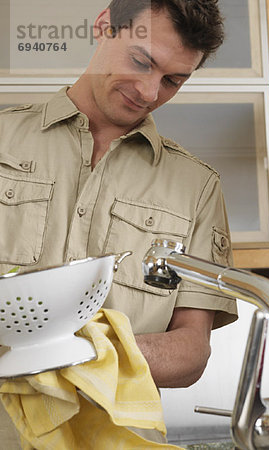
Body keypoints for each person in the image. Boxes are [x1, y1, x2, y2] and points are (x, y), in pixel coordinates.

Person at [0, 0, 237, 445]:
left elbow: (191, 352)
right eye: (141, 61)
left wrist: (87, 349)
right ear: (104, 26)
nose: (150, 92)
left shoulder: (197, 187)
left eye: (173, 80)